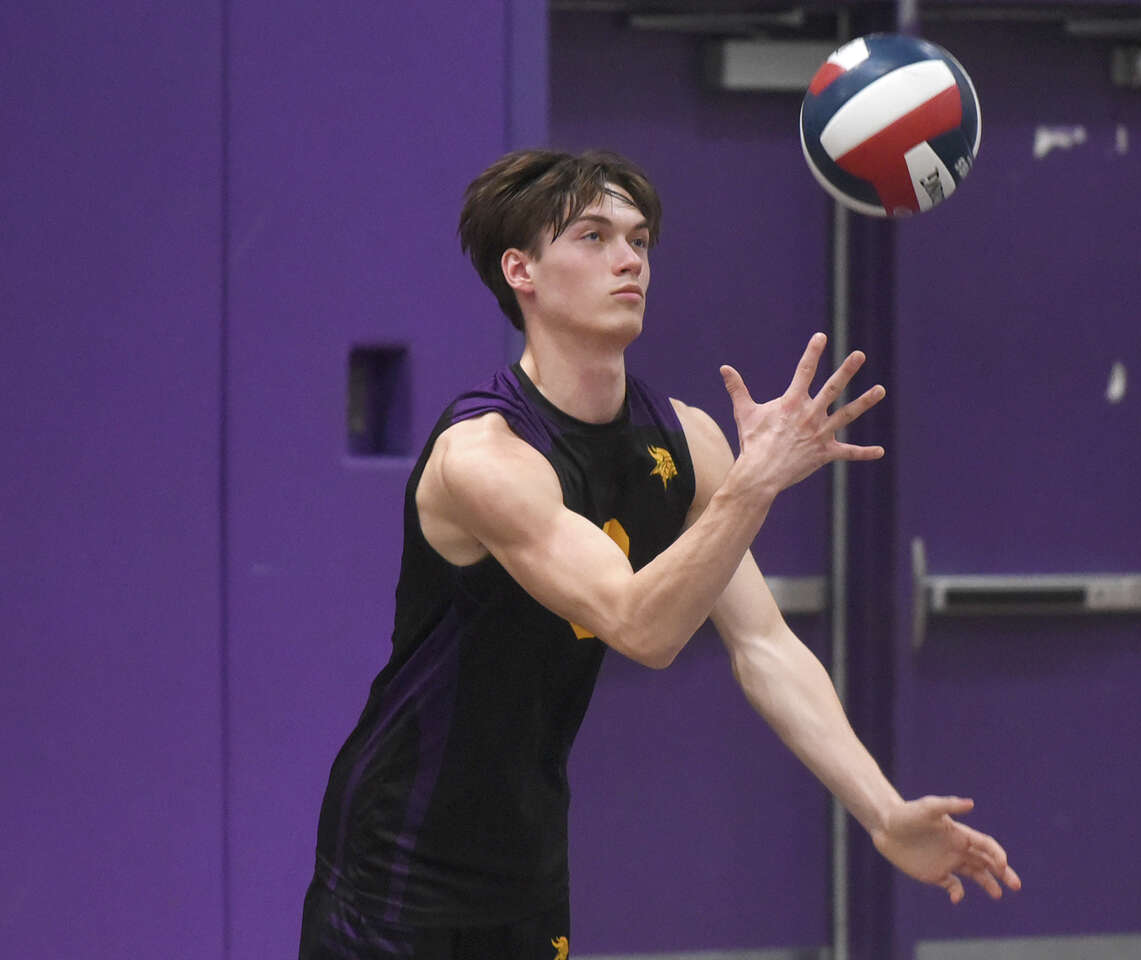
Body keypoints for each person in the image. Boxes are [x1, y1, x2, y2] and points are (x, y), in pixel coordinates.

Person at [299, 148, 1020, 960]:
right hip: (400, 852)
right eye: (594, 236)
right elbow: (639, 627)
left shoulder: (684, 440)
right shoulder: (486, 456)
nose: (629, 259)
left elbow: (765, 645)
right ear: (521, 271)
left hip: (527, 854)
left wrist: (883, 812)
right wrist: (755, 487)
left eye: (639, 240)